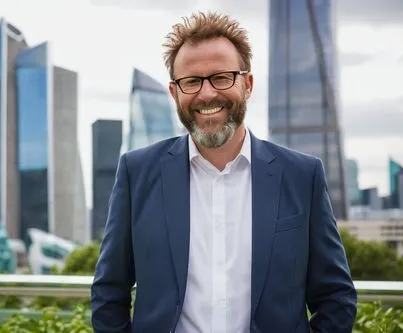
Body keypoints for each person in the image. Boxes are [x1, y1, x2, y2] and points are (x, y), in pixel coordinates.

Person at [91, 11, 357, 333]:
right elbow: (109, 292)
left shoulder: (303, 176)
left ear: (247, 84)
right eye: (192, 81)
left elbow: (336, 298)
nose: (206, 94)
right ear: (175, 93)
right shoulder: (137, 173)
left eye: (221, 77)